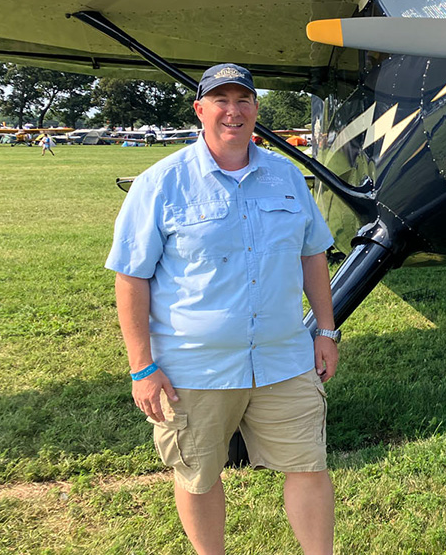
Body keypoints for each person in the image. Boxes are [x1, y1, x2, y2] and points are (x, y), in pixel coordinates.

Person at [105, 63, 339, 555]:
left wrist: (325, 331)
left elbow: (312, 254)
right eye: (221, 100)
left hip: (284, 359)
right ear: (200, 110)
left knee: (309, 467)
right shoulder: (161, 182)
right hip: (194, 366)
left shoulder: (287, 177)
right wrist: (141, 367)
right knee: (197, 476)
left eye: (243, 100)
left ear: (256, 109)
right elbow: (131, 278)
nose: (233, 111)